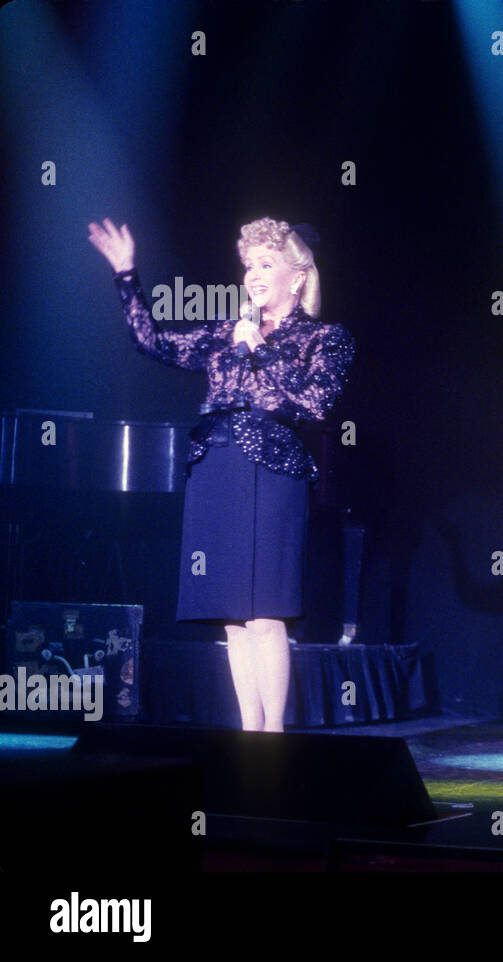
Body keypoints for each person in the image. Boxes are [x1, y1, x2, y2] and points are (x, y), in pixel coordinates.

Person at [88, 216, 354, 732]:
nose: (253, 275)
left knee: (266, 612)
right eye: (248, 265)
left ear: (296, 276)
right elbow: (154, 342)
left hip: (274, 471)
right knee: (233, 617)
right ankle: (248, 735)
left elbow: (316, 401)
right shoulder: (225, 334)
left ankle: (273, 736)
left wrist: (259, 347)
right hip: (217, 468)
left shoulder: (324, 338)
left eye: (266, 264)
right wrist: (126, 275)